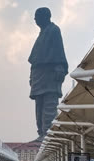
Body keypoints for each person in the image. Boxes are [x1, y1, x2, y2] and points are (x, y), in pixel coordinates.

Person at [28, 7, 68, 142]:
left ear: (45, 17)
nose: (35, 19)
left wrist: (59, 68)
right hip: (38, 75)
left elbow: (59, 51)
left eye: (36, 16)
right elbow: (34, 59)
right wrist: (31, 77)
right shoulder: (42, 33)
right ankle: (41, 133)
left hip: (49, 73)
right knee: (39, 107)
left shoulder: (53, 30)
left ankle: (48, 134)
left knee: (49, 106)